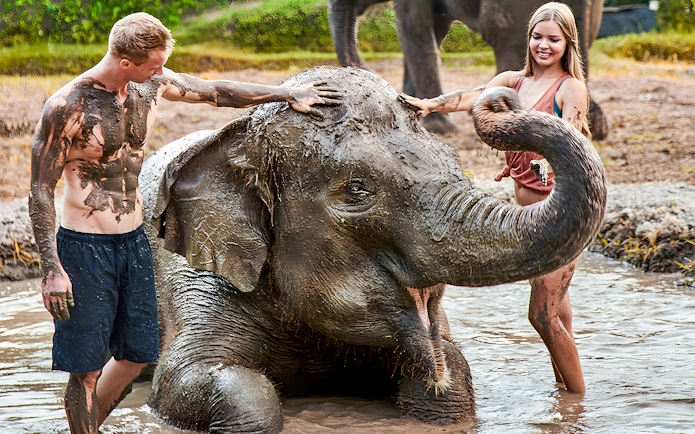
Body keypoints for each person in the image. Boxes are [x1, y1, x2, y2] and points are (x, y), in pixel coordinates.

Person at [29, 12, 341, 433]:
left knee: (137, 356)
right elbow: (39, 191)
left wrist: (286, 94)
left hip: (134, 242)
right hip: (85, 247)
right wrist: (52, 270)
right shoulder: (67, 107)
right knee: (85, 368)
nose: (162, 71)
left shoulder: (149, 85)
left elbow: (216, 92)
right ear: (125, 62)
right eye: (154, 63)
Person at [401, 2, 589, 393]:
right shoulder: (513, 82)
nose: (543, 45)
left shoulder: (570, 88)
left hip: (565, 215)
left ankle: (577, 406)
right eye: (537, 37)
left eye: (553, 39)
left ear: (567, 42)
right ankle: (565, 398)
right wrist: (430, 104)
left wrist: (549, 165)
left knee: (541, 315)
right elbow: (474, 97)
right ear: (529, 38)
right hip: (529, 211)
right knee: (559, 313)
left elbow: (569, 139)